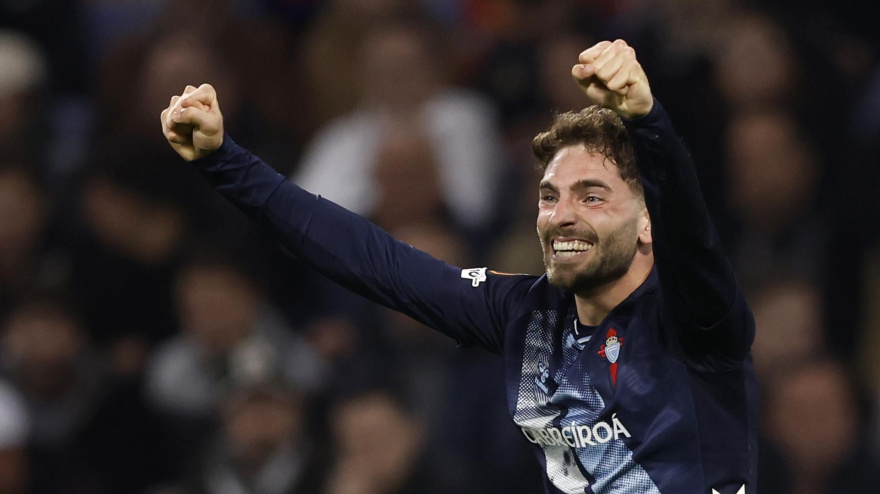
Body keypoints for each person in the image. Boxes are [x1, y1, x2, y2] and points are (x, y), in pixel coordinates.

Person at [160, 39, 757, 493]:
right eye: (550, 196)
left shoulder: (696, 316)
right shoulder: (524, 314)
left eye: (593, 196)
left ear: (647, 223)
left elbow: (691, 231)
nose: (562, 215)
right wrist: (222, 160)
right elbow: (370, 258)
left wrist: (647, 121)